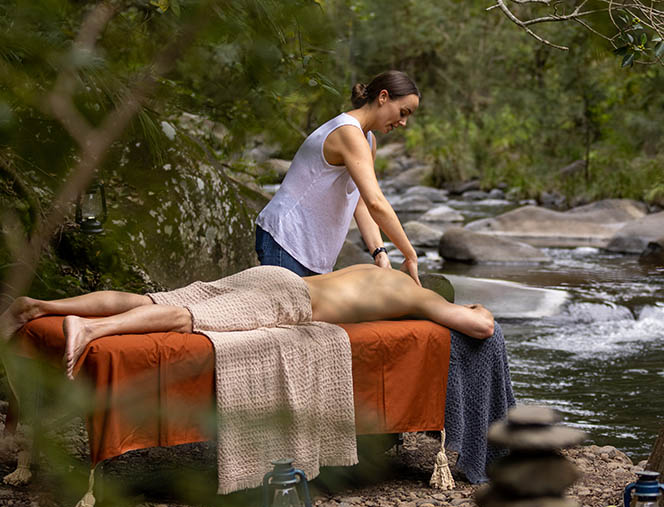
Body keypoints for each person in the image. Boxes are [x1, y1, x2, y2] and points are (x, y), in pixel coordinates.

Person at [0, 265, 495, 379]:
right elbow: (481, 330)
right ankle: (89, 331)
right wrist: (476, 310)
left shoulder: (380, 273)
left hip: (274, 275)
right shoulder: (419, 296)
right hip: (290, 298)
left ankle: (40, 305)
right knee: (186, 317)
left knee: (153, 296)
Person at [255, 70, 422, 285]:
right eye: (403, 112)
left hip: (312, 250)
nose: (403, 122)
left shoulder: (368, 140)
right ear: (383, 97)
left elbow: (361, 202)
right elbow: (376, 202)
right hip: (286, 240)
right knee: (282, 316)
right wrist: (410, 254)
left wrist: (379, 251)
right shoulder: (347, 132)